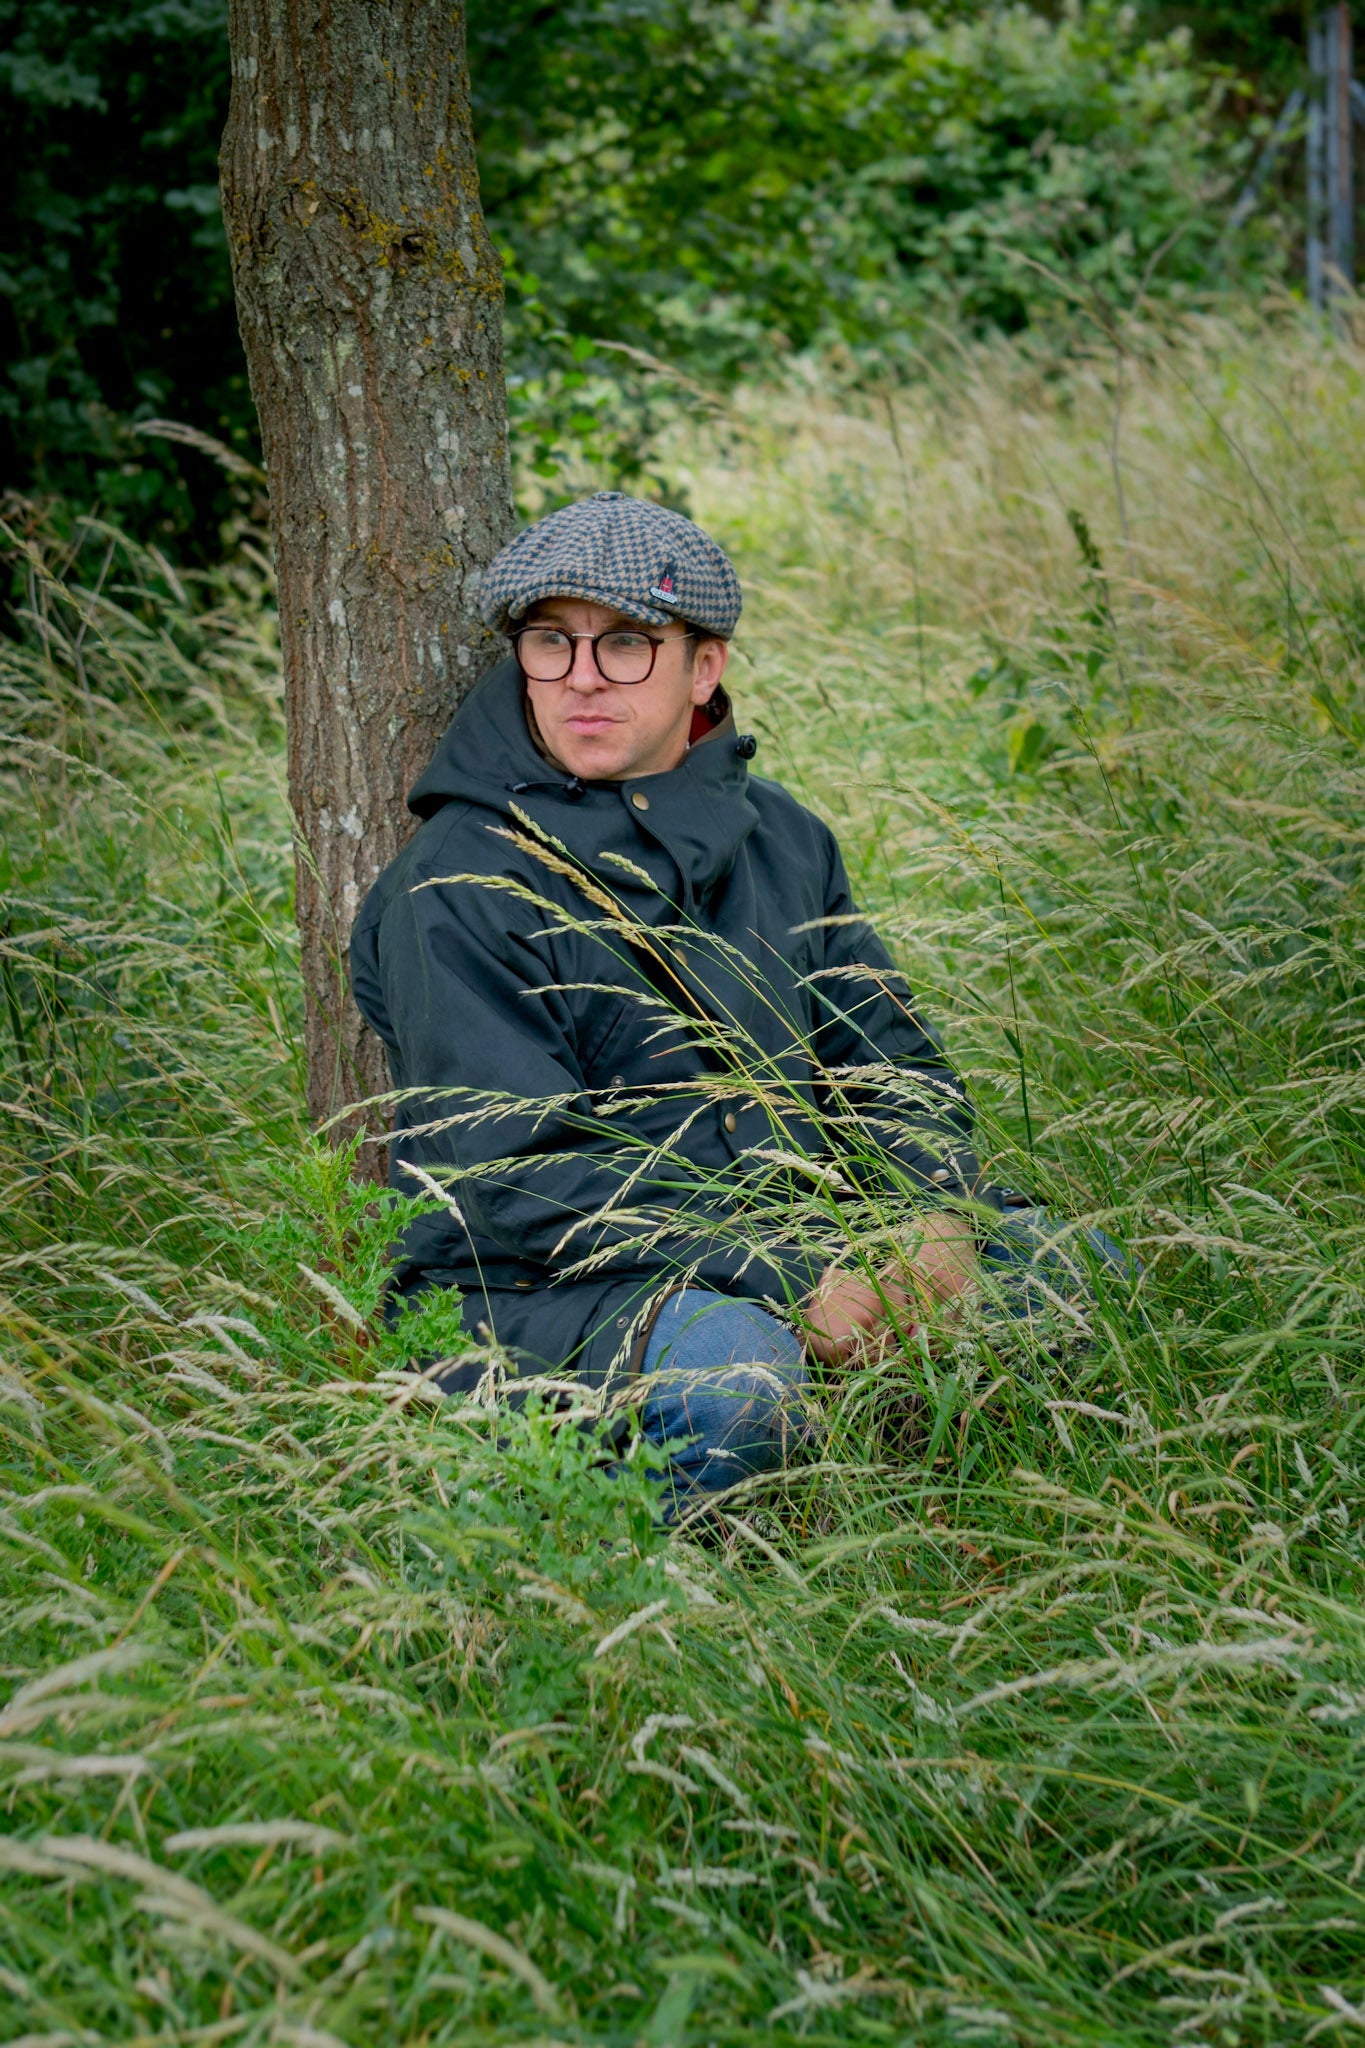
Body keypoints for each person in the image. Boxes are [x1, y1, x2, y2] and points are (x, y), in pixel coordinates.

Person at [350, 492, 1117, 1516]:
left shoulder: (784, 837)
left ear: (703, 667)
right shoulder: (457, 885)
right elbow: (515, 1179)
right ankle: (661, 1577)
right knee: (737, 1381)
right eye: (552, 641)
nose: (582, 677)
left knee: (1079, 1270)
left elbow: (889, 1061)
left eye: (627, 644)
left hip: (812, 1243)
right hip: (543, 1292)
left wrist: (931, 1215)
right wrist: (800, 1276)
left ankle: (919, 1493)